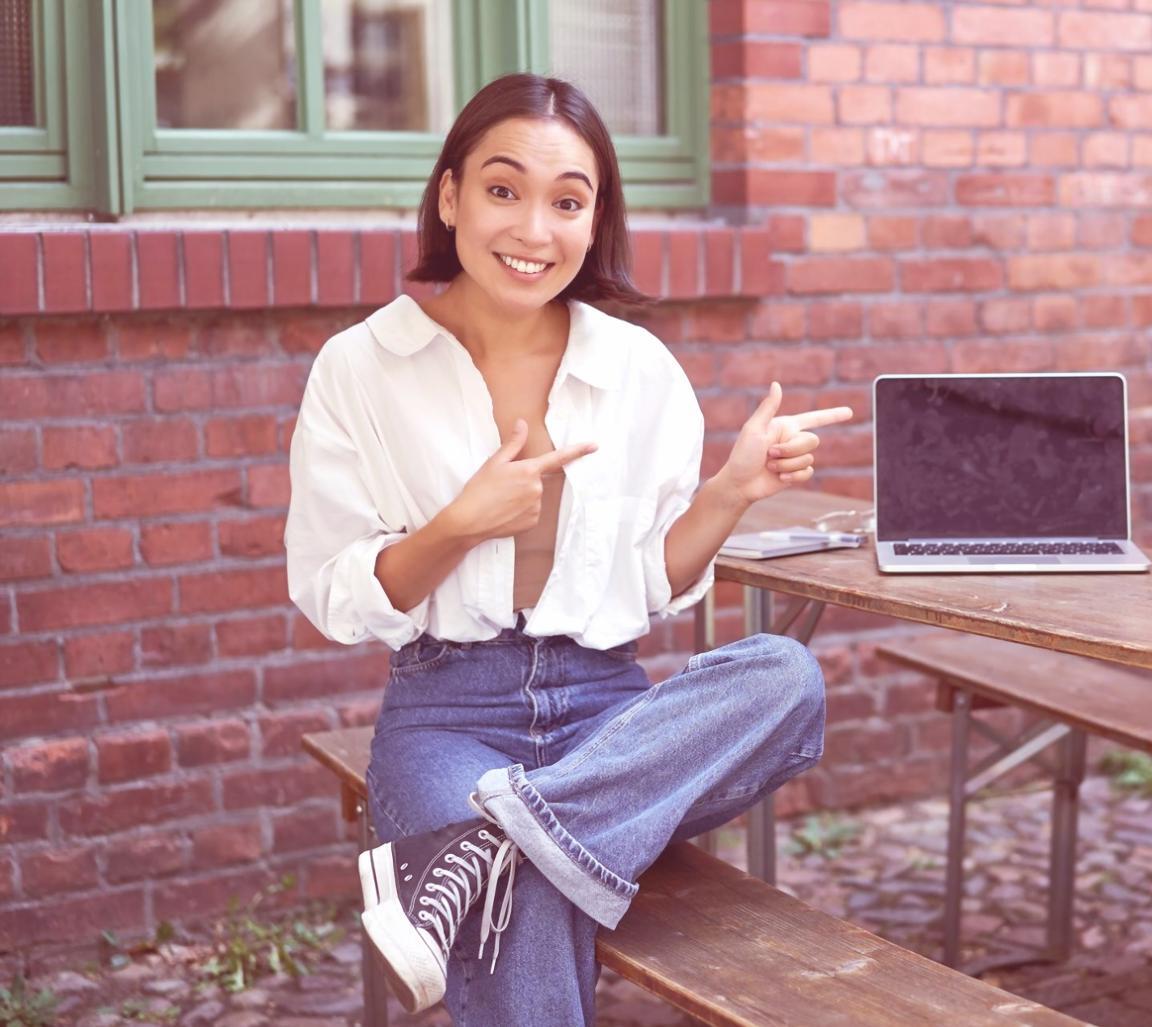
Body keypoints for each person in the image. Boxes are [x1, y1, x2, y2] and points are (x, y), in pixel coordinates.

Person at [283, 73, 852, 1026]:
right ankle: (522, 841)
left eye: (567, 202)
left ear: (595, 223)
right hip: (444, 714)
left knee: (787, 677)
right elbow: (335, 591)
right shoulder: (362, 367)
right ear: (451, 195)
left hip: (608, 719)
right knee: (531, 888)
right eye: (504, 190)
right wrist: (460, 522)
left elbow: (653, 585)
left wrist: (733, 490)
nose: (533, 230)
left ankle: (496, 842)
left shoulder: (637, 371)